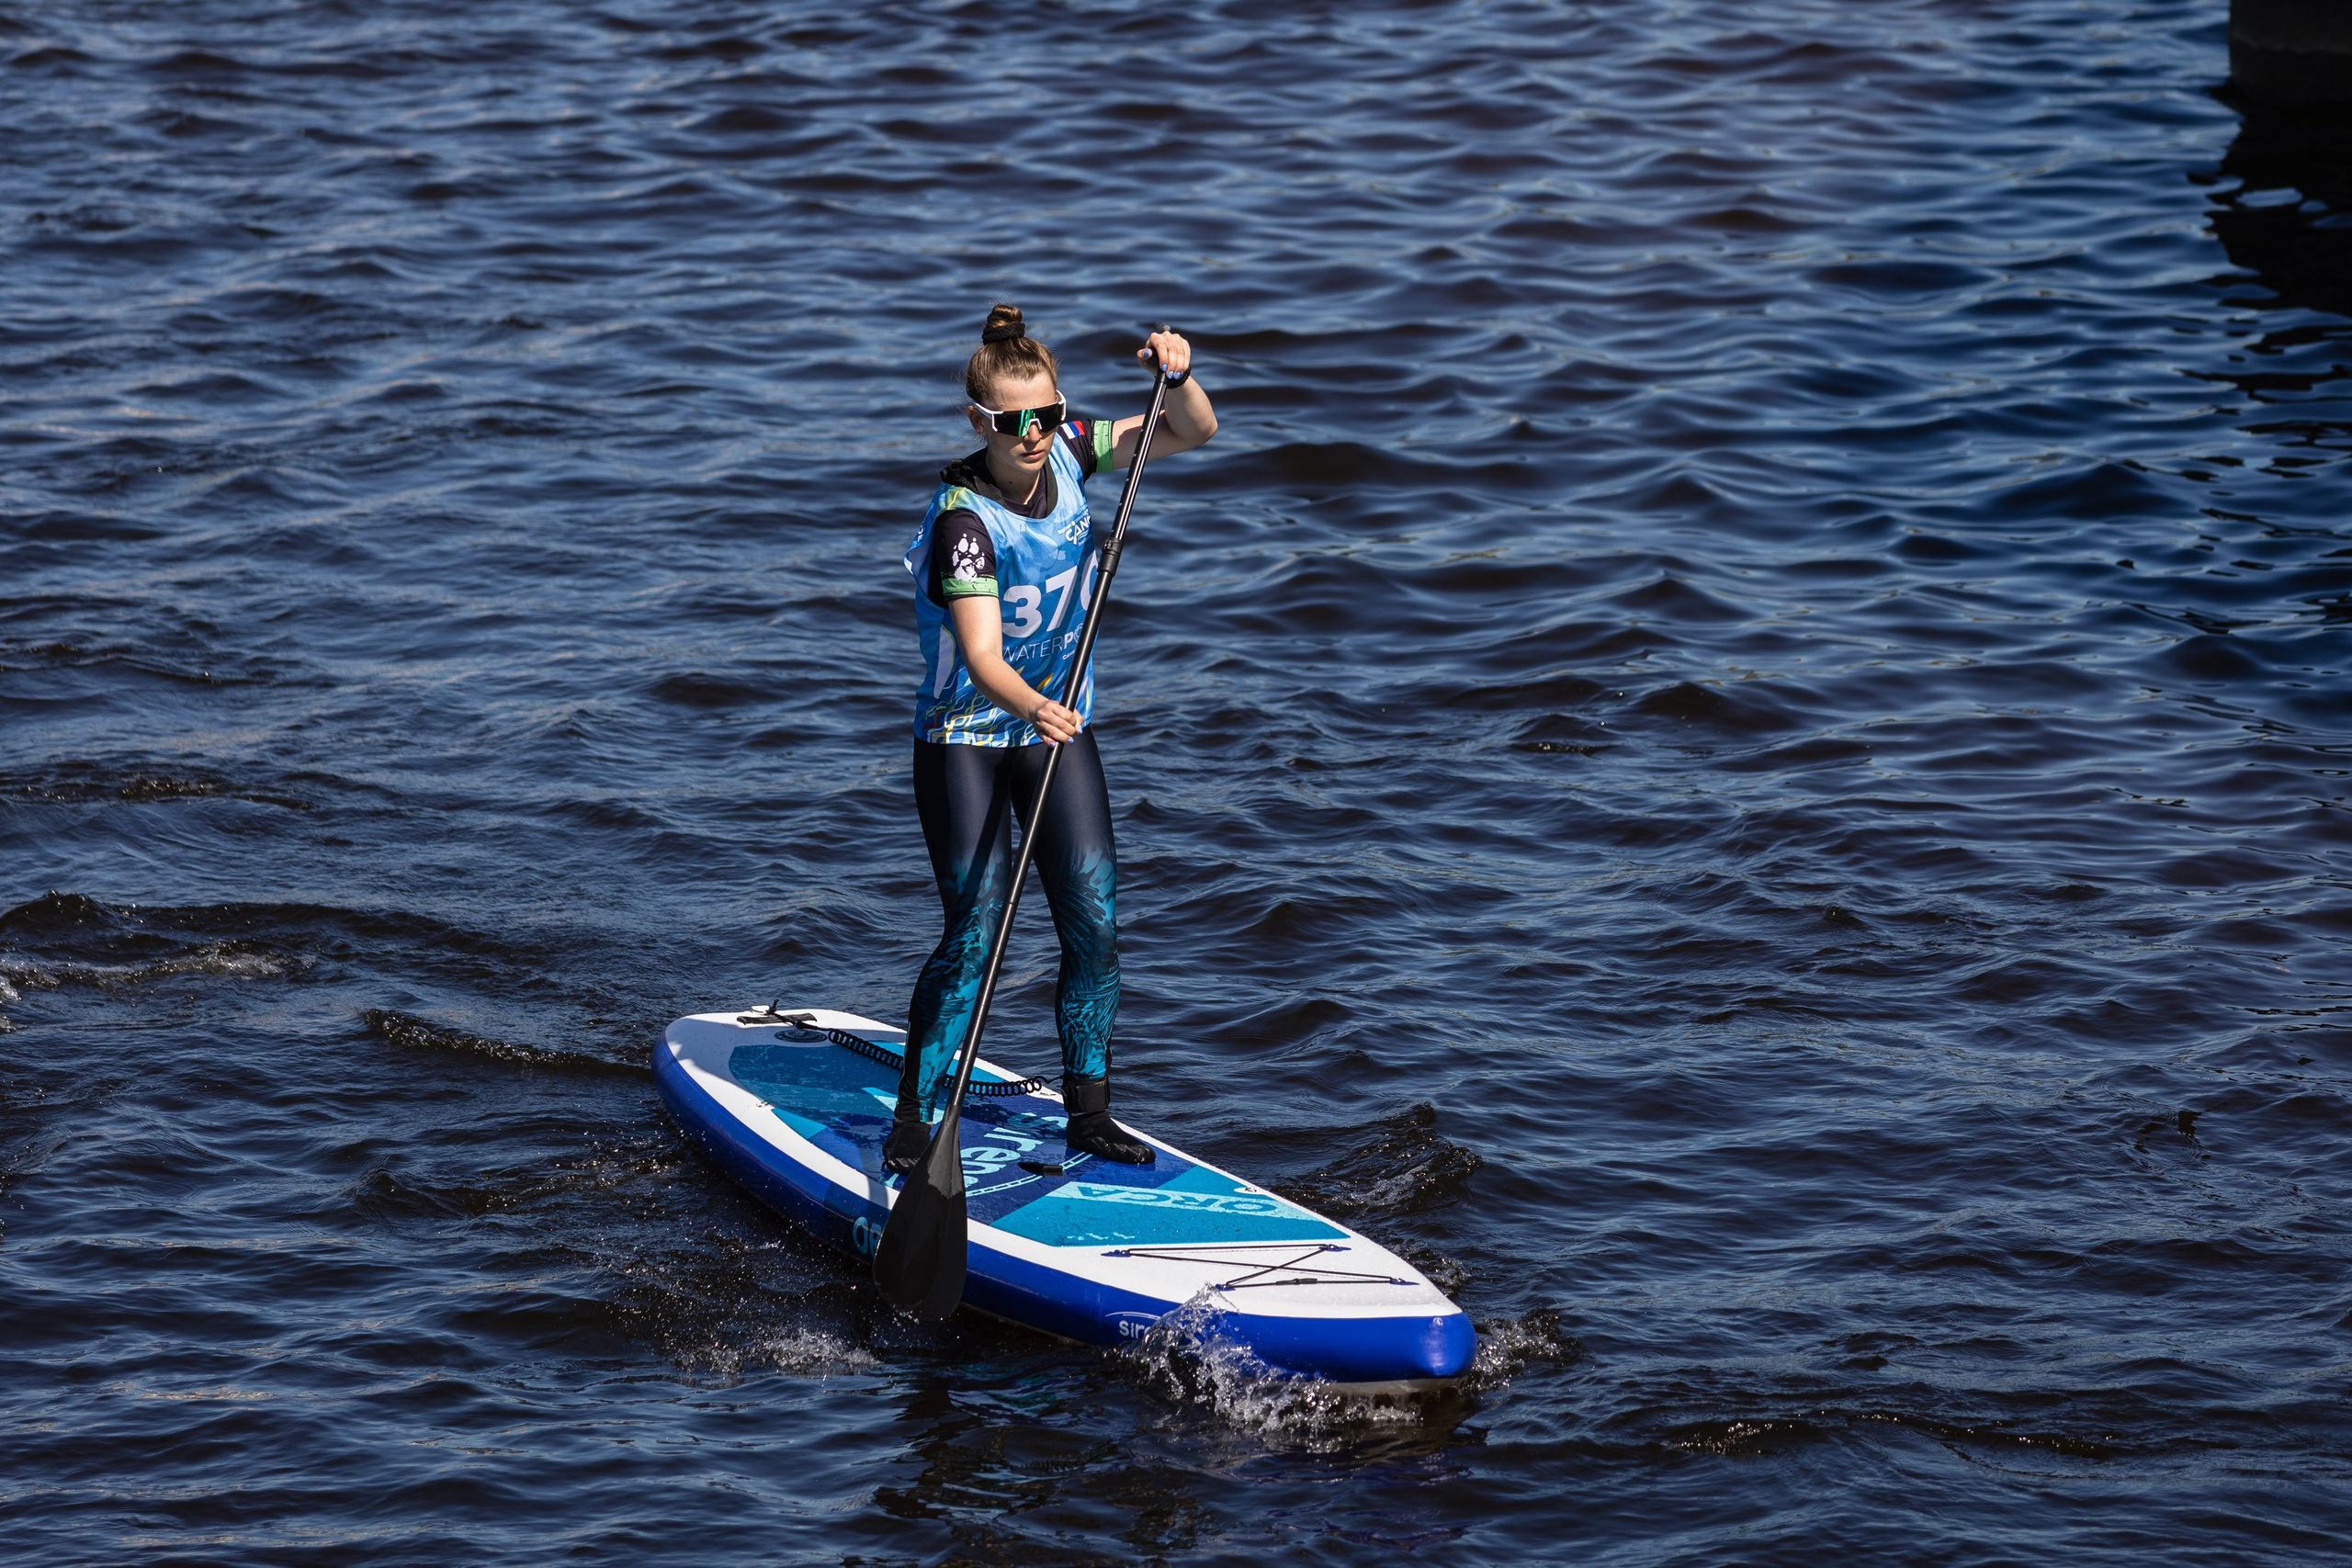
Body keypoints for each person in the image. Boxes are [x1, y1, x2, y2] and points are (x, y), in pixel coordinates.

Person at [887, 304, 1218, 1175]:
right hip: (968, 734)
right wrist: (1033, 706)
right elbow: (982, 655)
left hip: (1054, 728)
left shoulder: (1073, 449)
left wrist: (1177, 376)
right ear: (978, 423)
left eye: (1044, 416)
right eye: (1012, 423)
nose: (1032, 436)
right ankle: (917, 1127)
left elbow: (1192, 430)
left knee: (1094, 923)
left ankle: (1091, 1113)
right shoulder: (964, 523)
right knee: (975, 933)